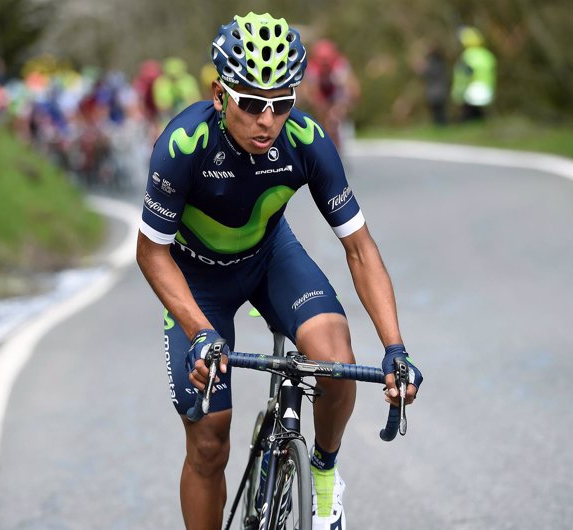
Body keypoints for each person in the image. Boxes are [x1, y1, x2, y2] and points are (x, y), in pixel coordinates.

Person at [136, 12, 423, 530]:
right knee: (209, 439)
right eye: (251, 103)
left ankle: (325, 474)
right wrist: (200, 333)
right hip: (198, 282)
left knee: (335, 360)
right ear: (221, 96)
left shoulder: (306, 140)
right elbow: (151, 253)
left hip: (270, 261)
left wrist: (395, 347)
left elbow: (359, 247)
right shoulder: (182, 147)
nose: (267, 120)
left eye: (282, 103)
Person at [300, 38, 360, 149]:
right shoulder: (312, 67)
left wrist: (344, 106)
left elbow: (353, 89)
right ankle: (324, 143)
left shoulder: (340, 66)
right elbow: (308, 91)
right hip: (320, 95)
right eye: (322, 62)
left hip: (337, 94)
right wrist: (317, 104)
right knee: (322, 119)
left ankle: (337, 145)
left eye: (327, 62)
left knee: (334, 118)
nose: (325, 66)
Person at [451, 26, 497, 122]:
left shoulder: (467, 56)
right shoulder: (487, 55)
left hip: (471, 89)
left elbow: (463, 75)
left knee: (469, 116)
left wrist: (458, 91)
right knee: (480, 116)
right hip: (487, 89)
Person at [419, 43, 450, 126]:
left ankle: (441, 127)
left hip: (436, 90)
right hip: (437, 89)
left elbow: (432, 74)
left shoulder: (435, 62)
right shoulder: (440, 61)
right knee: (437, 111)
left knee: (439, 111)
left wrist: (423, 70)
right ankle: (439, 127)